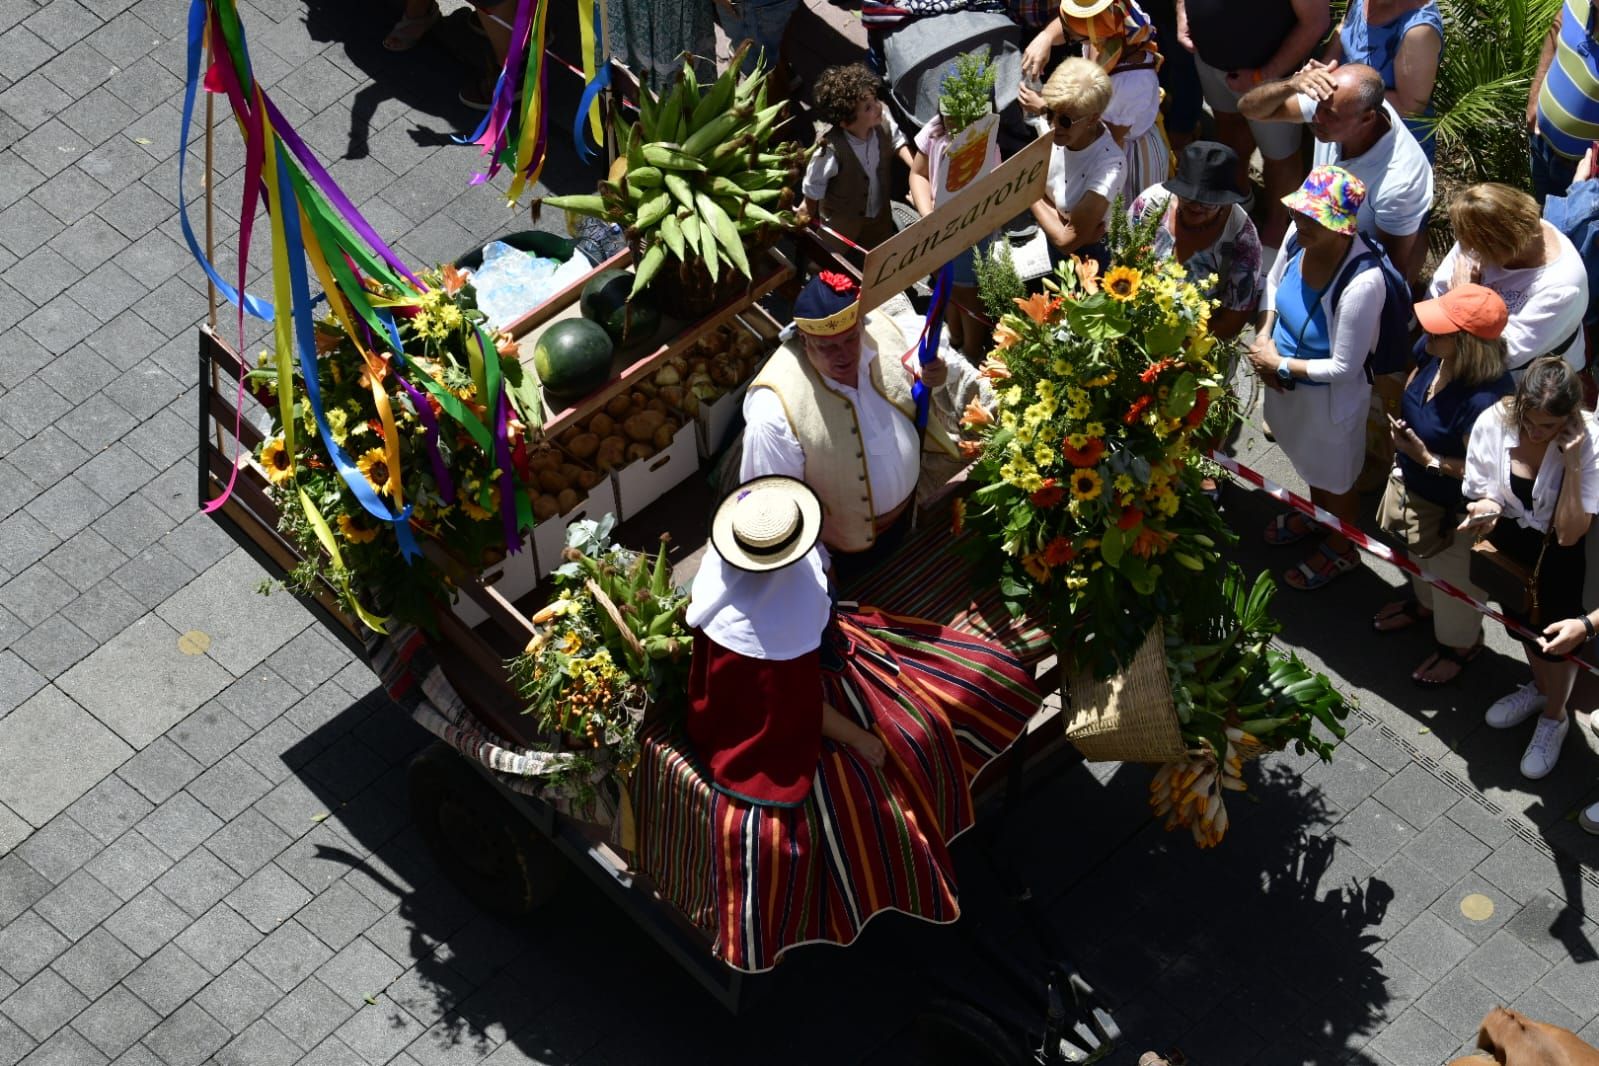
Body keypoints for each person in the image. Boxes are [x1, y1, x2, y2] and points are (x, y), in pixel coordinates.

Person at [683, 476, 1040, 969]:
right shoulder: (775, 631)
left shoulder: (725, 584)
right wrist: (860, 738)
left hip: (733, 699)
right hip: (777, 712)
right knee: (893, 758)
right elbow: (798, 707)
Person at [740, 272, 956, 580]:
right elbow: (776, 504)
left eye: (850, 339)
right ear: (803, 339)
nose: (844, 355)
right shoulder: (774, 411)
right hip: (843, 557)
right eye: (827, 347)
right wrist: (821, 570)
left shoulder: (882, 330)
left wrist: (934, 371)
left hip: (908, 516)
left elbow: (926, 351)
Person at [1246, 166, 1387, 590]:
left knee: (1336, 479)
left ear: (1342, 229)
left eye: (1314, 218)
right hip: (1284, 385)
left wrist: (1279, 367)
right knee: (1308, 465)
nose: (1300, 222)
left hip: (1326, 406)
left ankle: (1341, 548)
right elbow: (1272, 281)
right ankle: (1316, 516)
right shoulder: (1297, 236)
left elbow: (1345, 367)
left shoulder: (1363, 282)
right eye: (1299, 213)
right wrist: (1264, 336)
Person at [1462, 357, 1599, 780]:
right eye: (1529, 422)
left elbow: (1570, 534)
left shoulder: (1590, 441)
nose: (1536, 433)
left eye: (1548, 427)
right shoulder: (1495, 419)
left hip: (1558, 553)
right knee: (1518, 622)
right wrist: (1484, 508)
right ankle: (1540, 690)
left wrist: (1573, 463)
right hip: (1507, 541)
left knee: (1557, 641)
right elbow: (1483, 488)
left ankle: (1555, 717)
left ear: (1570, 420)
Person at [1371, 285, 1514, 685]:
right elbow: (1414, 388)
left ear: (1466, 344)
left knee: (1456, 586)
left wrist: (1427, 459)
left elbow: (1486, 477)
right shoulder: (1432, 351)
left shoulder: (1486, 402)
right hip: (1416, 495)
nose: (1425, 330)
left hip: (1454, 515)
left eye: (1439, 328)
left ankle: (1461, 646)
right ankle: (1424, 606)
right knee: (1419, 559)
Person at [1237, 59, 1433, 283]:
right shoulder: (1333, 103)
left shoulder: (1400, 182)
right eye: (1318, 107)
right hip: (1311, 237)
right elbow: (1249, 109)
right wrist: (1291, 84)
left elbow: (1390, 269)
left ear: (1367, 118)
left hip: (1352, 272)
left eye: (1330, 115)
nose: (1317, 117)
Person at [1173, 0, 1331, 249]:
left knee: (1279, 154)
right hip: (1209, 61)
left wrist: (1264, 74)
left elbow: (1315, 22)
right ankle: (1237, 200)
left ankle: (1279, 226)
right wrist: (1182, 12)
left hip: (1269, 79)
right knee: (1228, 124)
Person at [1429, 182, 1590, 376]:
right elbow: (1434, 295)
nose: (1469, 252)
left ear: (1505, 248)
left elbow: (1504, 356)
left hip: (1528, 378)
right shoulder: (1484, 229)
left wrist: (1463, 299)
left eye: (1476, 249)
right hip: (1464, 349)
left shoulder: (1562, 288)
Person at [1018, 0, 1171, 204]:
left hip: (1126, 154)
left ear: (1096, 31)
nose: (1067, 37)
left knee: (1125, 222)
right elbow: (1072, 24)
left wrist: (1047, 111)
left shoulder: (1132, 82)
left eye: (1073, 37)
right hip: (1087, 134)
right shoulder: (1114, 23)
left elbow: (1107, 135)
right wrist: (1044, 38)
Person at [1127, 140, 1263, 340]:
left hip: (1199, 343)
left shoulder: (1244, 241)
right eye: (1187, 196)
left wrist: (1181, 349)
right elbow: (1123, 261)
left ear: (1225, 201)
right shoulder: (1151, 204)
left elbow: (1232, 319)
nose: (1196, 206)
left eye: (1209, 202)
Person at [802, 64, 915, 248]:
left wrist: (916, 167)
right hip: (841, 222)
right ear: (846, 122)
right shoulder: (831, 150)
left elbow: (897, 142)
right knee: (830, 257)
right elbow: (814, 186)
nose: (878, 107)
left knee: (878, 247)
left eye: (875, 99)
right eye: (868, 108)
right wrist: (807, 211)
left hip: (878, 215)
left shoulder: (883, 123)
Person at [1028, 57, 1126, 269]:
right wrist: (1060, 225)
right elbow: (1062, 235)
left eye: (1065, 121)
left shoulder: (1109, 166)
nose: (1054, 125)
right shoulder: (1059, 127)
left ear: (1092, 119)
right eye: (1049, 112)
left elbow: (1066, 242)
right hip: (1056, 245)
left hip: (1090, 260)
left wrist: (1027, 193)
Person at [1322, 0, 1445, 164]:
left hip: (1391, 153)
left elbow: (1410, 107)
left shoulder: (1418, 31)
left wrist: (1337, 87)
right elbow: (1344, 26)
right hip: (1346, 128)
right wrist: (1325, 66)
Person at [1530, 0, 1599, 202]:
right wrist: (1535, 98)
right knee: (1542, 216)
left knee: (1566, 233)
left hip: (1581, 175)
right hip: (1540, 144)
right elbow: (1558, 26)